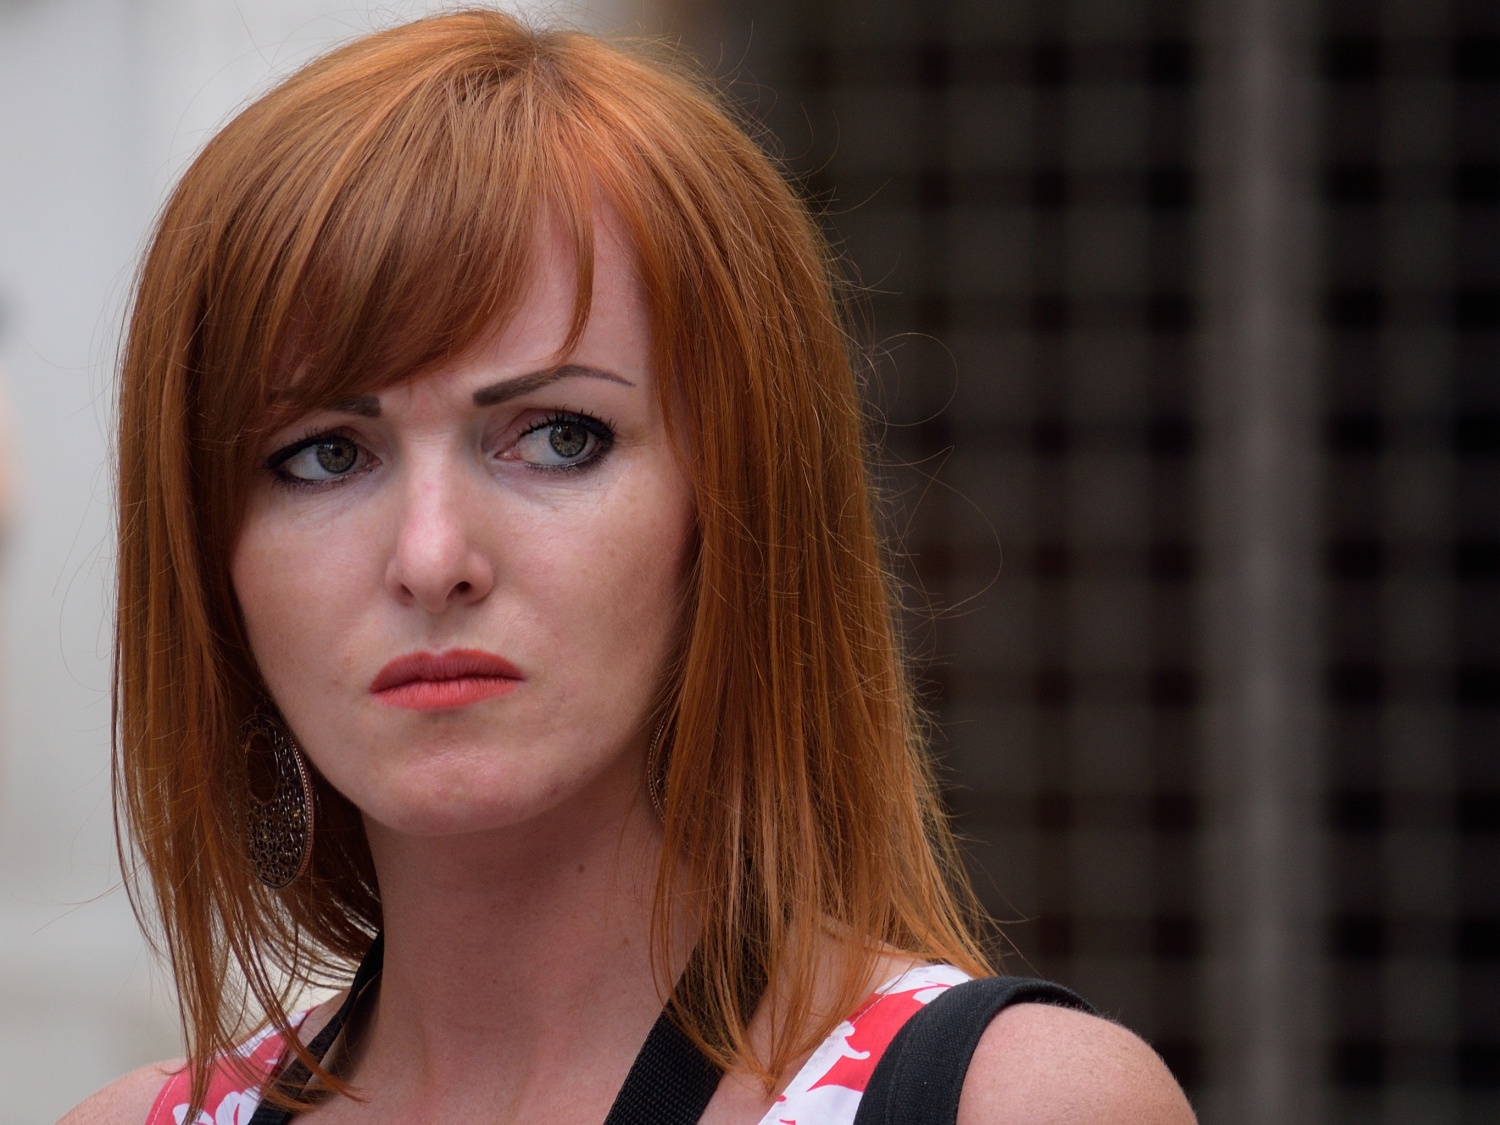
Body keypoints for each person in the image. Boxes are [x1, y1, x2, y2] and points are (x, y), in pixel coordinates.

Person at [63, 10, 1194, 1125]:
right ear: (210, 559)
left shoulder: (1012, 1103)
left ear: (733, 507)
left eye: (560, 437)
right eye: (323, 455)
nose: (432, 558)